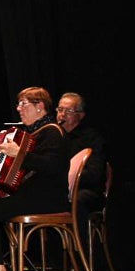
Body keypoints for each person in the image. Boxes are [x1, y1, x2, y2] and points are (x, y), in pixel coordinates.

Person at [0, 87, 68, 271]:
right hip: (31, 196)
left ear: (40, 106)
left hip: (48, 198)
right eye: (18, 104)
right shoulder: (31, 134)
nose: (18, 108)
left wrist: (19, 154)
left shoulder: (52, 132)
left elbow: (52, 166)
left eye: (24, 104)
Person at [56, 92, 108, 222]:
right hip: (61, 191)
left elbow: (95, 173)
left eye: (68, 111)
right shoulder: (54, 138)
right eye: (60, 109)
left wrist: (66, 179)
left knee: (76, 201)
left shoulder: (92, 138)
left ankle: (76, 236)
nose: (62, 115)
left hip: (86, 190)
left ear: (80, 115)